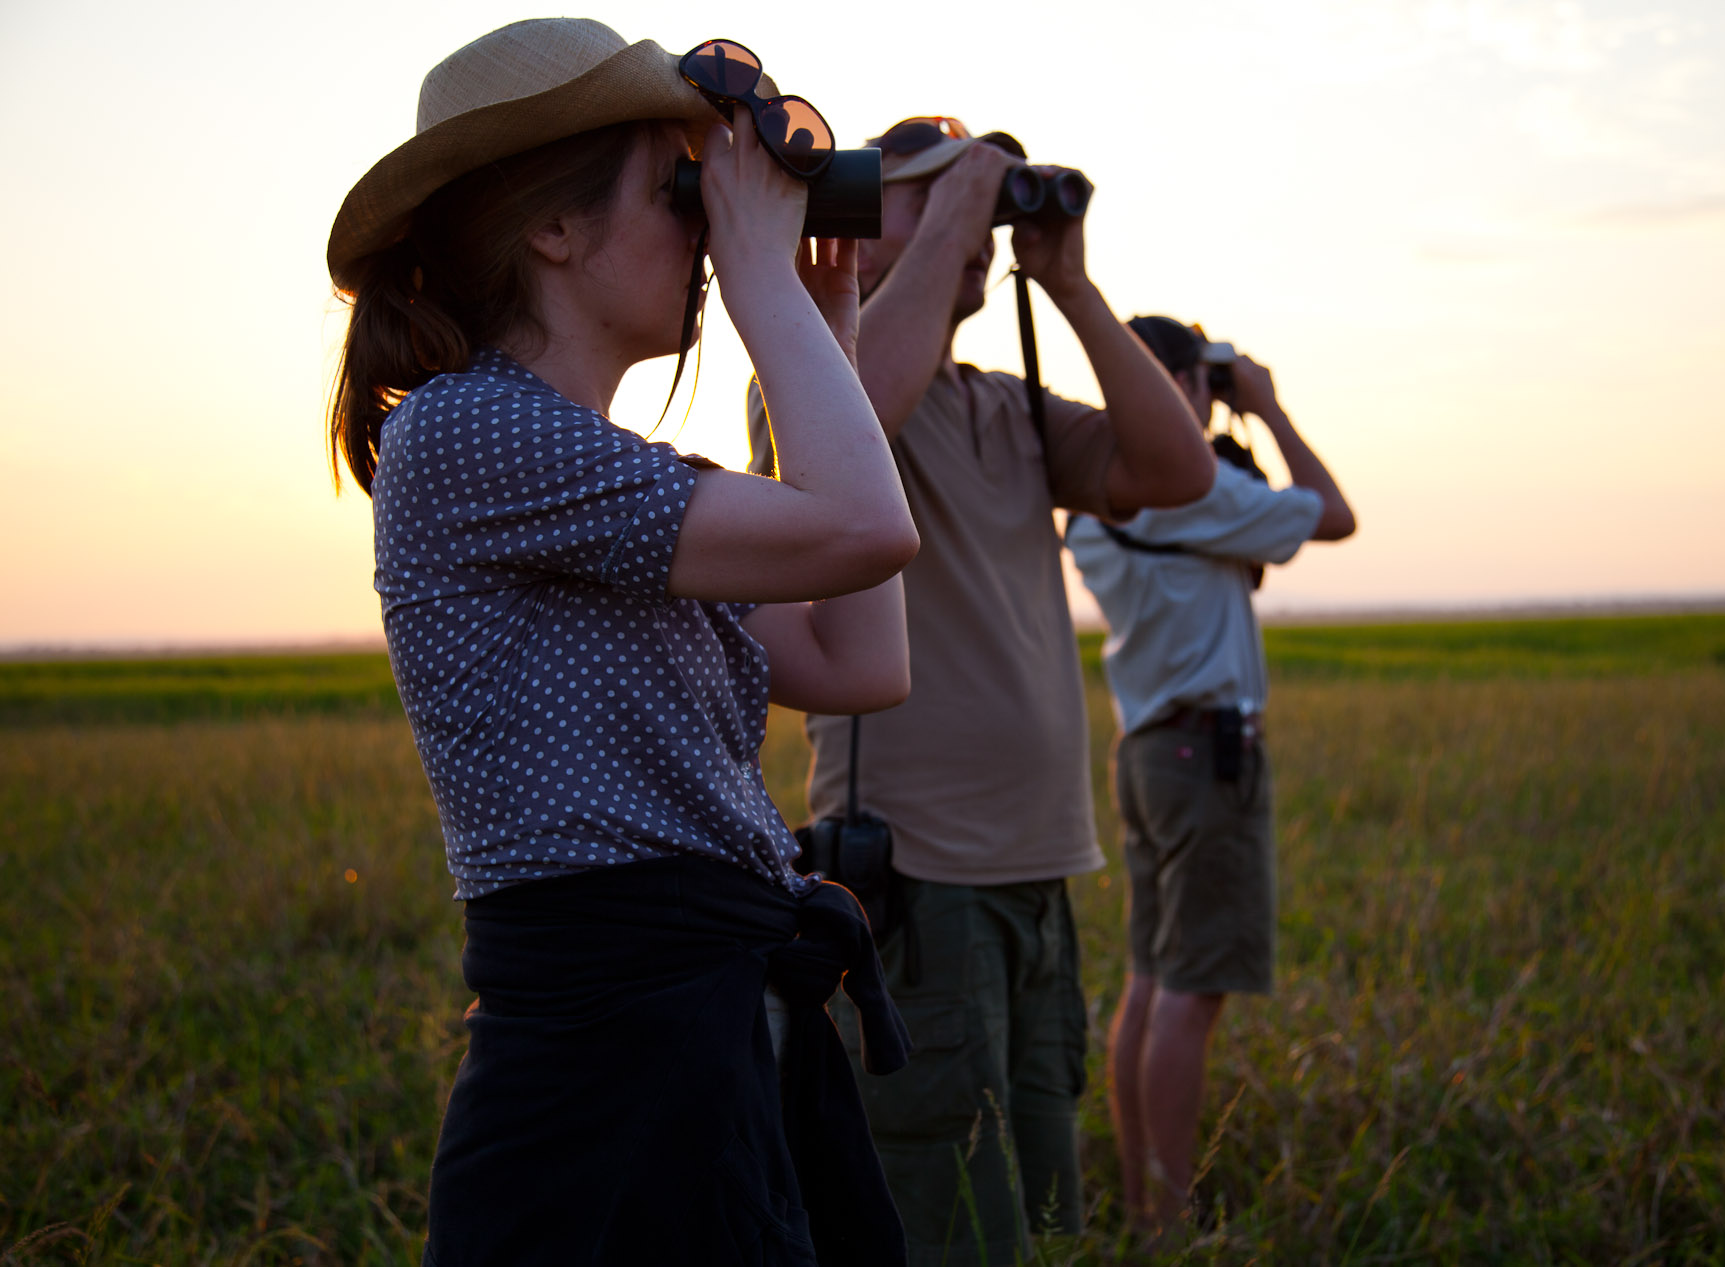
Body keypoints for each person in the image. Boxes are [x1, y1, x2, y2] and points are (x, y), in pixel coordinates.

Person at [326, 19, 922, 1266]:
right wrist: (765, 287)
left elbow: (862, 664)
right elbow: (863, 526)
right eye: (680, 190)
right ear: (552, 229)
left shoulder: (629, 490)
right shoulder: (466, 433)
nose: (711, 235)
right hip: (607, 1067)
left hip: (697, 1035)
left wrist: (828, 327)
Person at [748, 120, 1215, 1264]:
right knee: (942, 1205)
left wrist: (1068, 283)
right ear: (855, 224)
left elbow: (1178, 470)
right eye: (925, 199)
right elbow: (858, 411)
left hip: (1036, 865)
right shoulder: (815, 389)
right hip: (916, 870)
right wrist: (961, 212)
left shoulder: (1002, 405)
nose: (971, 224)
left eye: (978, 206)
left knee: (1039, 1194)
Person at [1066, 315, 1356, 1239]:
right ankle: (1168, 1222)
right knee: (1190, 992)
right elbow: (1335, 513)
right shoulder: (1192, 492)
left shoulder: (1100, 495)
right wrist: (1265, 406)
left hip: (1148, 750)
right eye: (1194, 381)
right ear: (1175, 385)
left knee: (1155, 978)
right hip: (1206, 754)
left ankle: (1151, 1205)